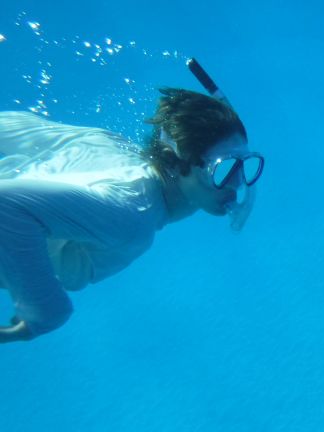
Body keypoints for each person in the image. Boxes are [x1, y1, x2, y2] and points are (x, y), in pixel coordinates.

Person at [0, 69, 264, 343]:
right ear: (175, 163)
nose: (238, 183)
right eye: (223, 168)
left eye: (245, 165)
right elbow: (7, 205)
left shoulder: (107, 143)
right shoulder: (132, 216)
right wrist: (46, 311)